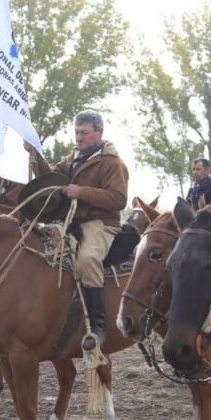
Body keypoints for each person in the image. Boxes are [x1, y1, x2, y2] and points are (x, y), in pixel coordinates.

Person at [29, 110, 129, 353]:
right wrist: (35, 156)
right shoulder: (73, 158)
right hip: (69, 222)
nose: (79, 137)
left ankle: (98, 326)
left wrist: (81, 192)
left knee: (87, 259)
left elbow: (118, 199)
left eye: (84, 132)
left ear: (99, 132)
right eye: (76, 132)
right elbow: (52, 179)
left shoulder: (112, 162)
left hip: (100, 223)